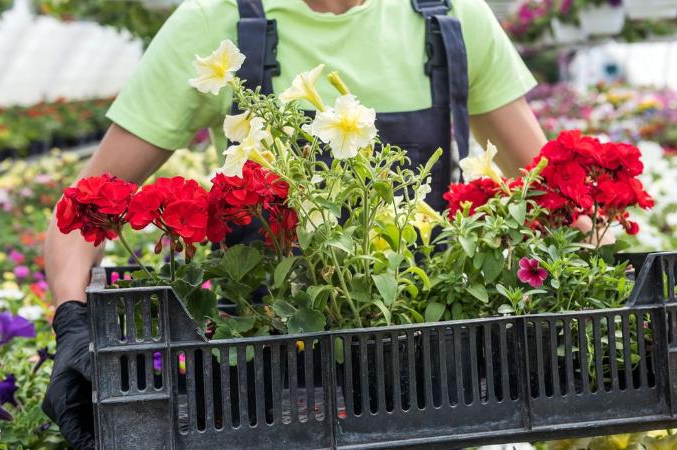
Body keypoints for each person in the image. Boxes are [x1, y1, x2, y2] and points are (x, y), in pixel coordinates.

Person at [41, 0, 546, 447]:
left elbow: (545, 189)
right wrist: (73, 326)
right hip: (260, 375)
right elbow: (80, 212)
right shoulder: (214, 22)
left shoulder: (452, 17)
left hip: (426, 370)